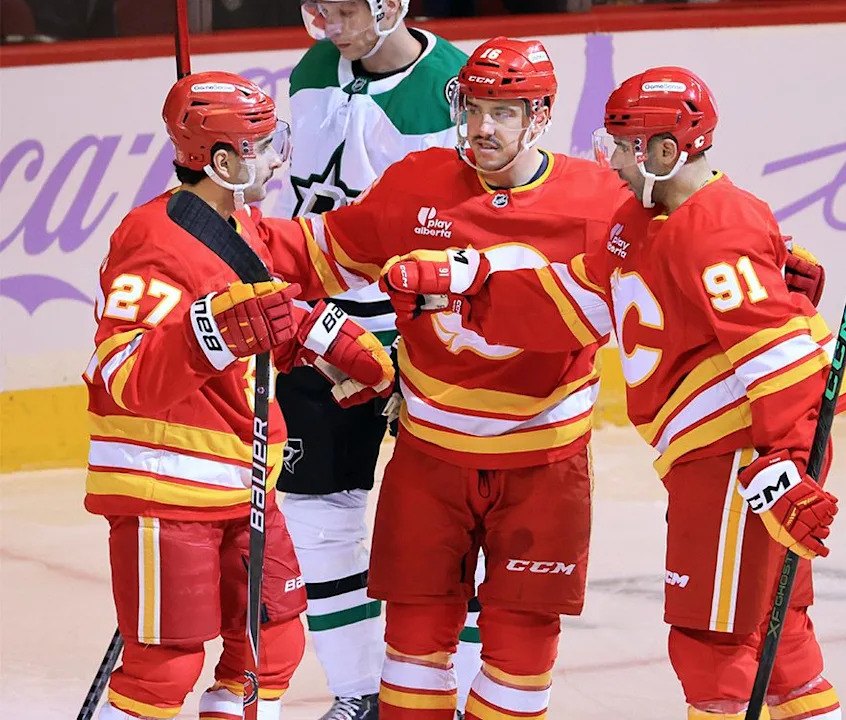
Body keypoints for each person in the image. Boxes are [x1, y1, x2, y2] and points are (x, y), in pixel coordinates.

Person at [384, 67, 846, 720]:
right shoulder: (641, 222)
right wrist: (466, 290)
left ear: (665, 152)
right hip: (718, 459)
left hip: (739, 458)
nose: (608, 160)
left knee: (713, 644)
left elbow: (777, 358)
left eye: (622, 143)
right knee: (779, 645)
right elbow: (577, 297)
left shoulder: (714, 228)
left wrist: (786, 462)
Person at [279, 36, 643, 720]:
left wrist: (763, 255)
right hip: (430, 459)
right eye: (473, 107)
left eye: (504, 112)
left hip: (543, 465)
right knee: (413, 643)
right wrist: (210, 234)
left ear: (540, 117)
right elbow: (319, 251)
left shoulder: (601, 201)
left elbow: (675, 264)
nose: (483, 127)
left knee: (520, 649)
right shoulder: (417, 182)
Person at [84, 71, 394, 720]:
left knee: (270, 643)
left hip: (241, 482)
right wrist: (213, 334)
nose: (278, 156)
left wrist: (320, 335)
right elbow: (123, 374)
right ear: (223, 161)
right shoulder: (151, 241)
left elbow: (268, 318)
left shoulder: (245, 227)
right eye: (262, 143)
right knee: (163, 666)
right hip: (165, 487)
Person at [272, 2, 474, 717]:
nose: (329, 20)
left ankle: (455, 694)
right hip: (318, 326)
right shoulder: (311, 70)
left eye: (346, 6)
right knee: (319, 517)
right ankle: (357, 693)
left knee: (455, 522)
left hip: (427, 333)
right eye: (319, 4)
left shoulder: (456, 85)